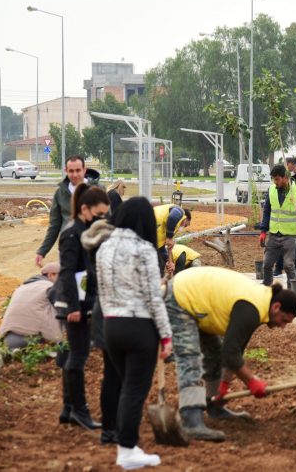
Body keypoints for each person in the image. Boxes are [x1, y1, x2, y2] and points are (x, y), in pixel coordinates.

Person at [166, 266, 296, 441]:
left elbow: (234, 350)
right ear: (276, 307)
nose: (282, 326)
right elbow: (230, 353)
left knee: (214, 353)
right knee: (190, 357)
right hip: (181, 296)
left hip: (199, 302)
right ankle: (191, 420)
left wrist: (224, 384)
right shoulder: (251, 308)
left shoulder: (260, 305)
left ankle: (213, 404)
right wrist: (252, 382)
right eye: (284, 320)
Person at [96, 197, 173, 469]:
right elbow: (153, 297)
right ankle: (127, 449)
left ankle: (125, 444)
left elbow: (102, 290)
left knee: (123, 385)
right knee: (133, 390)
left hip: (111, 325)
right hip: (139, 327)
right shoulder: (144, 249)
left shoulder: (104, 248)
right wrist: (165, 335)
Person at [53, 184, 109, 430]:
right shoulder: (72, 233)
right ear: (84, 209)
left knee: (75, 355)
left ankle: (68, 408)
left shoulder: (85, 231)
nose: (102, 219)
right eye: (98, 215)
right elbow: (66, 271)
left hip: (83, 301)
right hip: (73, 303)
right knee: (78, 357)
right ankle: (79, 410)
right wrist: (74, 307)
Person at [81, 216, 121, 445]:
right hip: (115, 319)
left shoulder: (91, 253)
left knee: (111, 375)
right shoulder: (109, 256)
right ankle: (116, 426)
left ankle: (109, 429)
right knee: (121, 376)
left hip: (101, 318)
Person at [35, 155, 101, 267]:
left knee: (90, 283)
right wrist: (42, 251)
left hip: (92, 248)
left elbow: (108, 220)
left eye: (78, 170)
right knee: (68, 282)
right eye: (71, 171)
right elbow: (54, 225)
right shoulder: (60, 193)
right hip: (68, 248)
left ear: (84, 170)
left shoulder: (98, 190)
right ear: (66, 171)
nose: (75, 175)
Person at [259, 165, 296, 286]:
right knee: (267, 264)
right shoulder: (271, 189)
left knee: (289, 265)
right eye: (273, 179)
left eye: (277, 179)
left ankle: (292, 288)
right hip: (273, 234)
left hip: (290, 236)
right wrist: (263, 231)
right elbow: (267, 211)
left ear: (285, 177)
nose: (275, 182)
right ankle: (267, 286)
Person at [0, 262, 62, 350]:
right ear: (51, 275)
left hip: (7, 339)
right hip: (34, 339)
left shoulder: (21, 288)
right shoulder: (50, 287)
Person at [154, 203, 192, 273]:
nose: (183, 227)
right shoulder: (180, 211)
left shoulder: (168, 229)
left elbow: (162, 248)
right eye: (186, 225)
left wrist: (169, 262)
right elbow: (172, 217)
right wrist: (169, 237)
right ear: (186, 218)